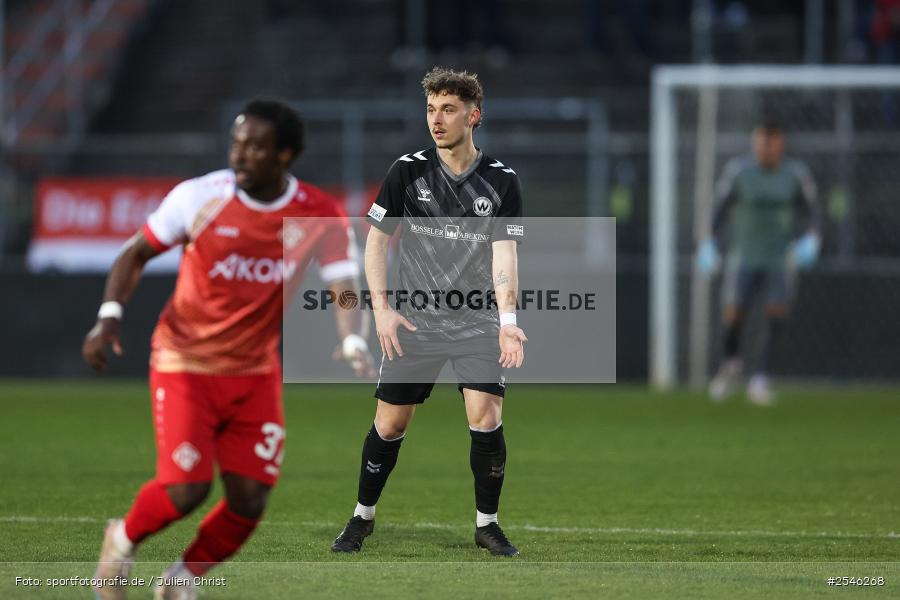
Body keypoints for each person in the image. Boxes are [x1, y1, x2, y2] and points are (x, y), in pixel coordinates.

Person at [83, 98, 373, 599]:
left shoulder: (318, 212)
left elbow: (344, 284)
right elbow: (135, 252)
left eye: (255, 147)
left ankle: (181, 581)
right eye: (237, 143)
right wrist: (108, 315)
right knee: (186, 489)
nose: (240, 155)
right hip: (184, 362)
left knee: (250, 498)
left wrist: (350, 336)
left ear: (285, 155)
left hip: (254, 372)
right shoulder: (199, 197)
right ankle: (122, 538)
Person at [329, 67, 527, 557]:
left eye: (448, 110)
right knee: (390, 425)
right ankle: (361, 517)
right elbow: (376, 243)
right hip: (415, 321)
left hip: (477, 320)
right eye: (431, 109)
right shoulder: (406, 171)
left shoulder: (502, 181)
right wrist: (381, 311)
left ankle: (487, 525)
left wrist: (508, 324)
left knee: (486, 416)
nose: (436, 120)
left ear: (473, 116)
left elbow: (505, 255)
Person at [696, 117, 821, 406]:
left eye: (772, 143)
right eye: (762, 142)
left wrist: (812, 239)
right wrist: (708, 242)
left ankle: (761, 378)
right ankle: (730, 365)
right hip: (744, 255)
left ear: (781, 144)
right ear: (755, 143)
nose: (767, 149)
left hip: (780, 257)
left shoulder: (795, 174)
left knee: (776, 314)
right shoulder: (739, 172)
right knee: (733, 314)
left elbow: (812, 210)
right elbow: (718, 209)